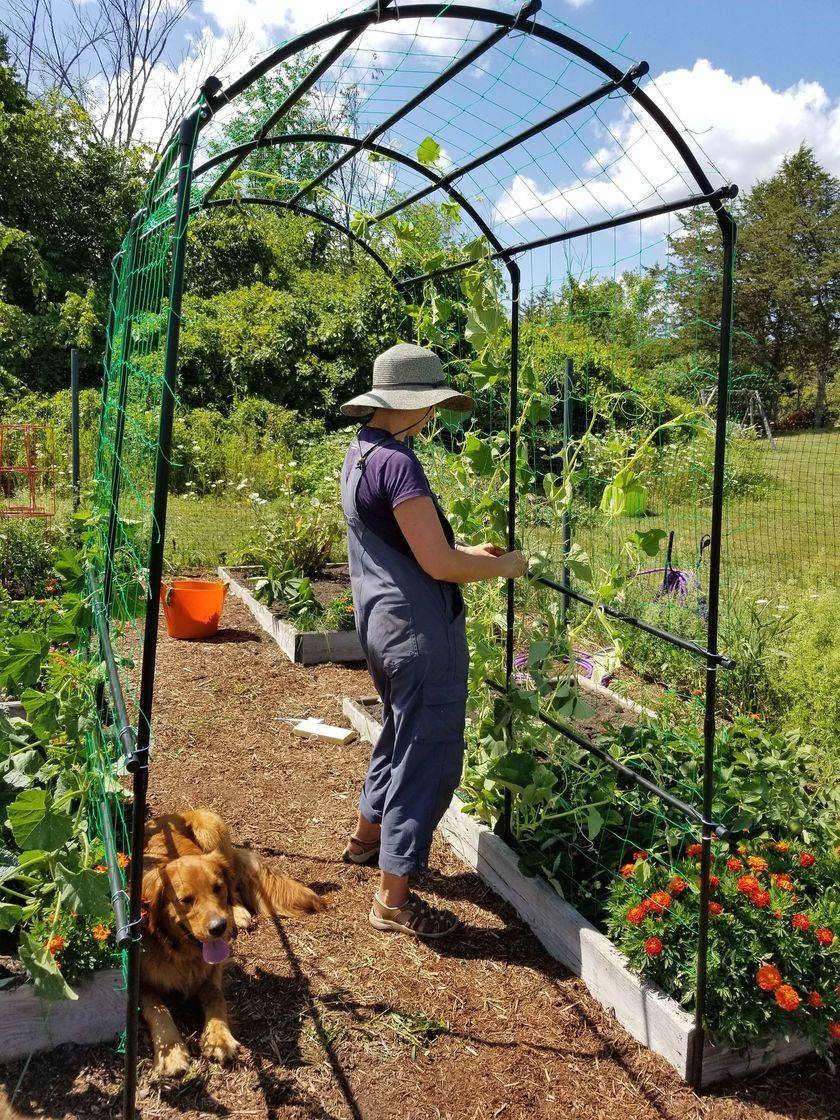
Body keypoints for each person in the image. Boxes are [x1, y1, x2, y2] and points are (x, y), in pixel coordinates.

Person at [339, 342, 527, 939]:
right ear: (415, 404)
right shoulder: (400, 464)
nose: (433, 418)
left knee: (400, 732)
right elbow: (439, 565)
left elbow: (414, 547)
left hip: (381, 625)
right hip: (419, 634)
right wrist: (503, 567)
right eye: (432, 407)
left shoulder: (362, 453)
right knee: (429, 756)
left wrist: (468, 551)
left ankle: (366, 839)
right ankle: (393, 899)